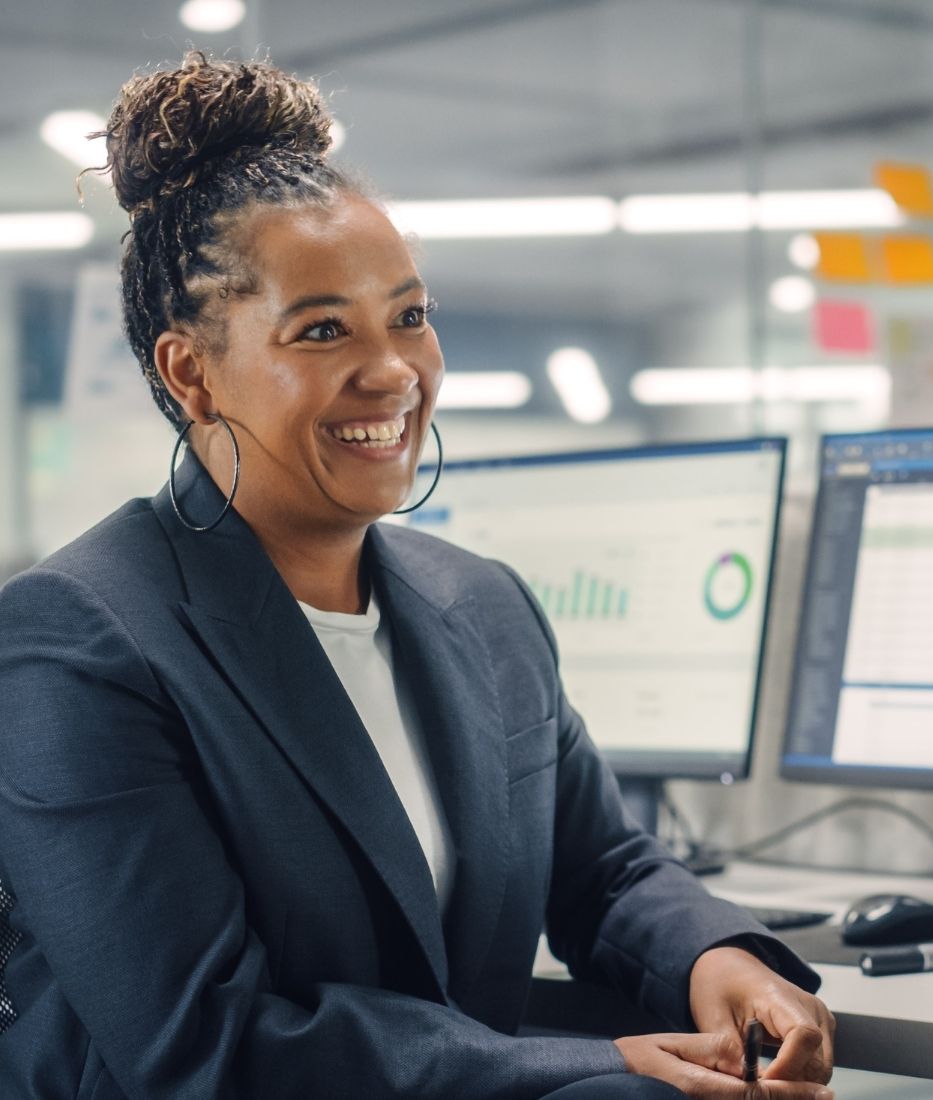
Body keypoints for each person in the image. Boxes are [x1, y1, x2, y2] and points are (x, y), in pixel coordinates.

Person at [0, 53, 836, 1100]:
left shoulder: (479, 604)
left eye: (408, 314)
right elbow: (204, 1043)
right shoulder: (77, 643)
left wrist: (720, 960)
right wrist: (596, 1059)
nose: (394, 369)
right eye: (321, 330)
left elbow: (603, 870)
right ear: (190, 371)